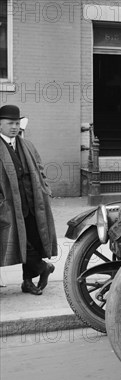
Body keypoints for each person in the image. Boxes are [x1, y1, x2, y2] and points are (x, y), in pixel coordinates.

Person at [0, 105, 56, 295]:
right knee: (17, 243)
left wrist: (44, 189)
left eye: (17, 123)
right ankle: (43, 268)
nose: (14, 127)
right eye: (10, 123)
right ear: (0, 125)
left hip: (32, 204)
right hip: (8, 206)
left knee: (34, 240)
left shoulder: (27, 145)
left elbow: (39, 169)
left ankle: (27, 282)